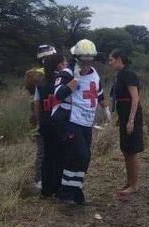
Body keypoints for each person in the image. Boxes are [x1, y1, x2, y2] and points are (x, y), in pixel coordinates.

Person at [53, 39, 109, 205]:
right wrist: (75, 80)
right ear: (76, 58)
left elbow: (99, 93)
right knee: (78, 155)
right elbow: (58, 95)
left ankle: (76, 193)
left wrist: (106, 108)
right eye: (83, 61)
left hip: (86, 122)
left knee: (85, 158)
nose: (86, 64)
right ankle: (65, 194)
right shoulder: (66, 73)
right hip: (69, 120)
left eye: (89, 60)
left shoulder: (94, 73)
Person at [108, 49, 144, 196]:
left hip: (131, 116)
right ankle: (129, 181)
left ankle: (134, 185)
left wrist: (131, 120)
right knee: (125, 149)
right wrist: (120, 117)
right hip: (123, 115)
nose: (109, 63)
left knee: (131, 150)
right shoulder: (120, 75)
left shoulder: (129, 74)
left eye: (111, 60)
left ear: (119, 59)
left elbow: (135, 98)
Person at [34, 48, 67, 199]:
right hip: (58, 122)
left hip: (45, 122)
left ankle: (46, 190)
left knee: (47, 156)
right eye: (63, 62)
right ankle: (58, 188)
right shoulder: (61, 80)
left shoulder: (41, 82)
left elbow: (36, 103)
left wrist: (39, 120)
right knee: (60, 156)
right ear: (58, 65)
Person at [25, 46, 54, 190]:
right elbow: (36, 101)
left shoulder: (42, 74)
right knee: (43, 151)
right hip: (44, 117)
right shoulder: (39, 75)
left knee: (47, 151)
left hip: (46, 117)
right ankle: (39, 179)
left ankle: (44, 178)